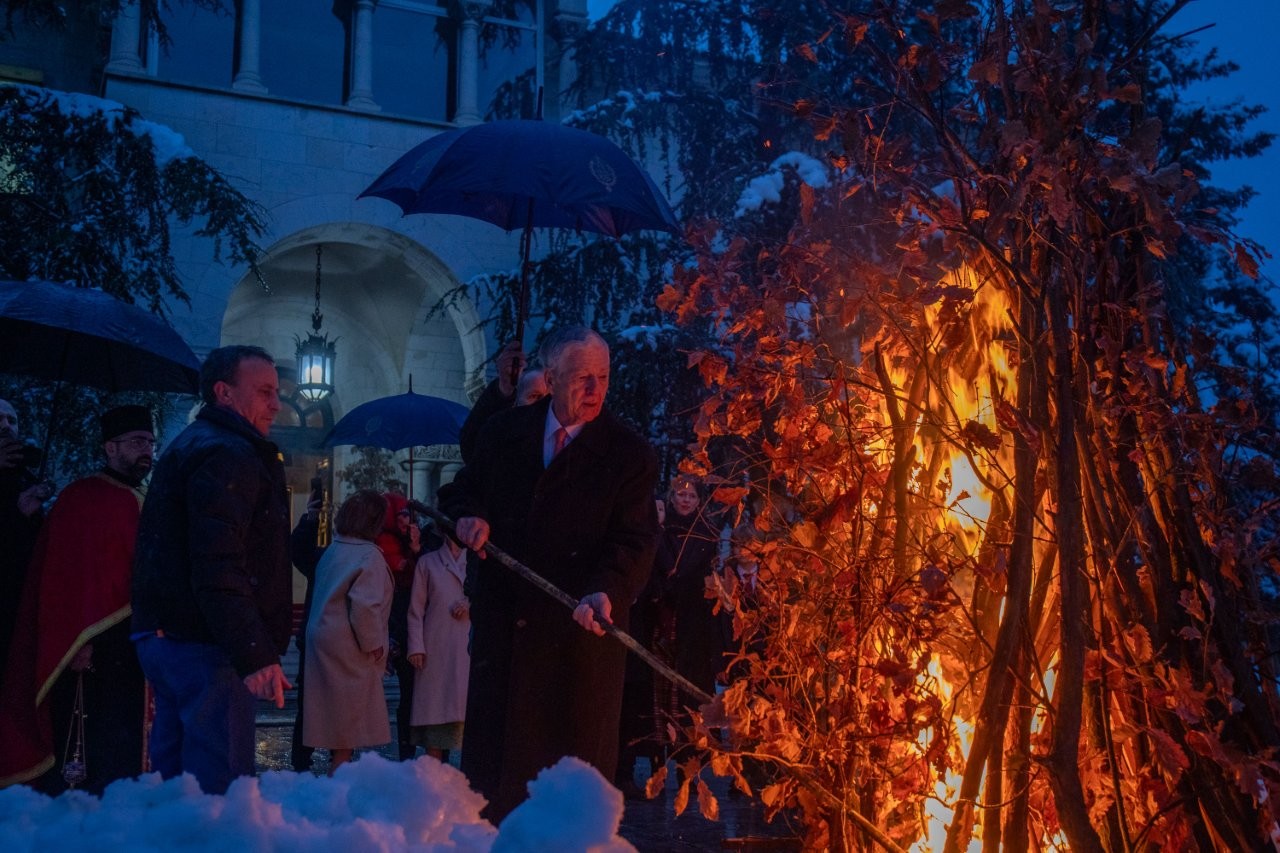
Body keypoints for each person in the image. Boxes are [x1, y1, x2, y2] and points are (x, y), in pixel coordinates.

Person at [440, 325, 659, 820]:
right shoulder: (505, 434)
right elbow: (461, 489)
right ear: (552, 376)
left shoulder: (628, 454)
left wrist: (609, 589)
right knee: (498, 792)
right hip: (506, 641)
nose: (595, 391)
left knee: (566, 801)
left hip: (576, 643)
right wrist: (469, 515)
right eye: (583, 378)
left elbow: (636, 539)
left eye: (603, 377)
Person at [130, 344, 293, 795]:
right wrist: (254, 650)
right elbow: (218, 561)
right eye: (263, 392)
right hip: (205, 645)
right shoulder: (228, 453)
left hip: (167, 636)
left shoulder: (190, 444)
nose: (276, 404)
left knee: (176, 784)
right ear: (224, 392)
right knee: (218, 791)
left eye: (276, 392)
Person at [0, 405, 153, 793]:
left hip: (134, 640)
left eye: (150, 442)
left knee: (128, 731)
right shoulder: (80, 499)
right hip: (91, 646)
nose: (146, 450)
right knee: (92, 738)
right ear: (110, 447)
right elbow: (63, 581)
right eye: (137, 442)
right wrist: (77, 642)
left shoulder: (142, 497)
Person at [302, 490, 393, 774]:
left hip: (324, 636)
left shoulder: (334, 548)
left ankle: (338, 769)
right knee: (349, 720)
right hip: (348, 644)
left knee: (334, 716)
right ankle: (340, 776)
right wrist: (374, 644)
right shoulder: (369, 556)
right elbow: (365, 607)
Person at [406, 531, 470, 764]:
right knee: (434, 712)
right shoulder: (428, 562)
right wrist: (416, 646)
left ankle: (466, 784)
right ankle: (433, 778)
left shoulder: (476, 562)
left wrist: (470, 602)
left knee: (465, 713)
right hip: (436, 645)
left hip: (467, 646)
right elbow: (415, 609)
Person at [661, 474, 725, 705]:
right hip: (663, 612)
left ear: (699, 500)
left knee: (694, 676)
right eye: (681, 494)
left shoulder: (706, 531)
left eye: (692, 496)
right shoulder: (661, 528)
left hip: (695, 614)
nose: (686, 500)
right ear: (672, 497)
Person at [0, 398, 52, 672]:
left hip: (16, 606)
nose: (6, 427)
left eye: (12, 420)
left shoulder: (25, 477)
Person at [375, 492, 423, 760]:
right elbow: (403, 570)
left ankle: (408, 749)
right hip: (392, 622)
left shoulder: (411, 541)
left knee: (411, 692)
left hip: (406, 624)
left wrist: (415, 548)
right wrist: (412, 554)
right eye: (401, 514)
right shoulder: (385, 542)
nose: (406, 520)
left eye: (408, 514)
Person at [458, 340, 549, 464]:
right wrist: (504, 387)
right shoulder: (505, 437)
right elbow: (473, 447)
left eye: (549, 398)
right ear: (518, 401)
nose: (543, 403)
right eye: (534, 396)